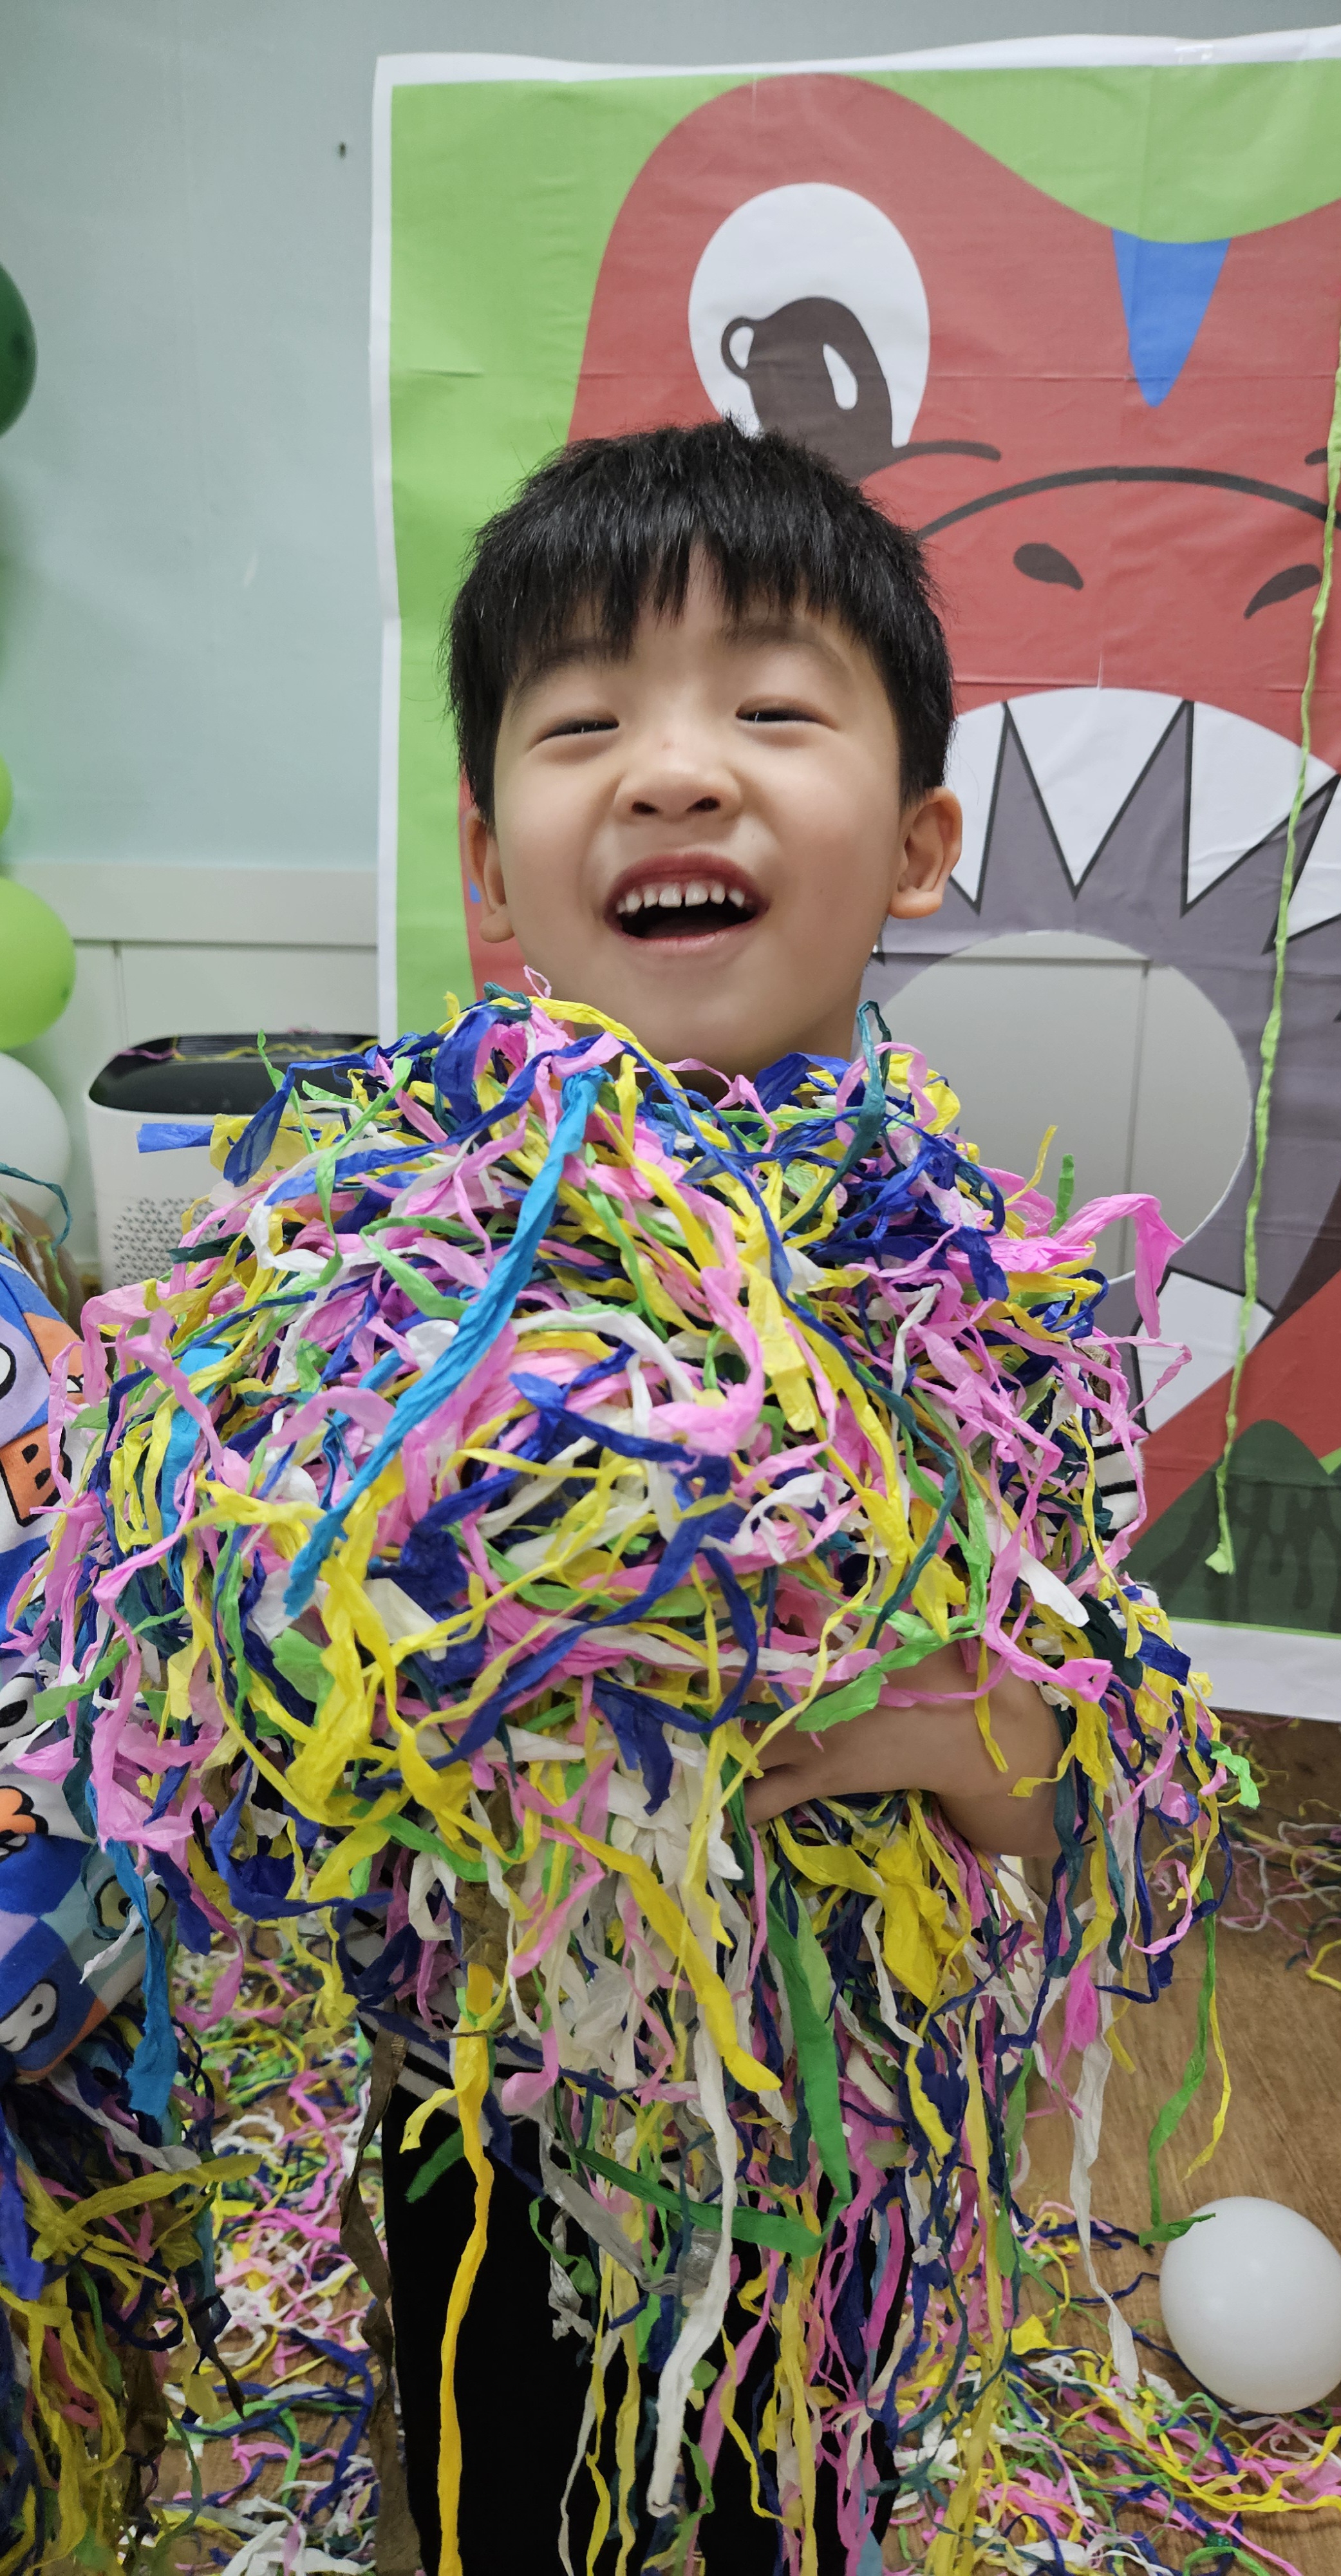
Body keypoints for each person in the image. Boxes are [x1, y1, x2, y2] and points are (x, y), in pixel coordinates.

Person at [375, 420, 1064, 2576]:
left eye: (769, 709)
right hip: (486, 2111)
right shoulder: (382, 1286)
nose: (672, 772)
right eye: (583, 723)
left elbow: (1041, 1778)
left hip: (829, 2131)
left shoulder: (983, 1313)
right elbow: (311, 1737)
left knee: (798, 2510)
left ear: (919, 841)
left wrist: (877, 1720)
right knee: (501, 2493)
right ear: (491, 863)